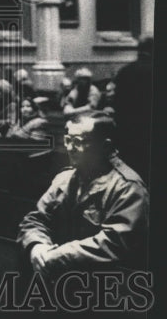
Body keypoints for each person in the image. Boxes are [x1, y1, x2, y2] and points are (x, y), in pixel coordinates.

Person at [17, 114, 149, 278]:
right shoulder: (65, 179)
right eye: (68, 140)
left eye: (78, 141)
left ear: (105, 146)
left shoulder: (128, 188)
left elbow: (113, 243)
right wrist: (37, 246)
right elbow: (36, 219)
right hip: (58, 276)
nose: (70, 147)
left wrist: (56, 255)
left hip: (106, 286)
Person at [113, 36, 153, 183]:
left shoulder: (125, 71)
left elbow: (117, 104)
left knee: (131, 177)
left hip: (128, 132)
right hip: (149, 132)